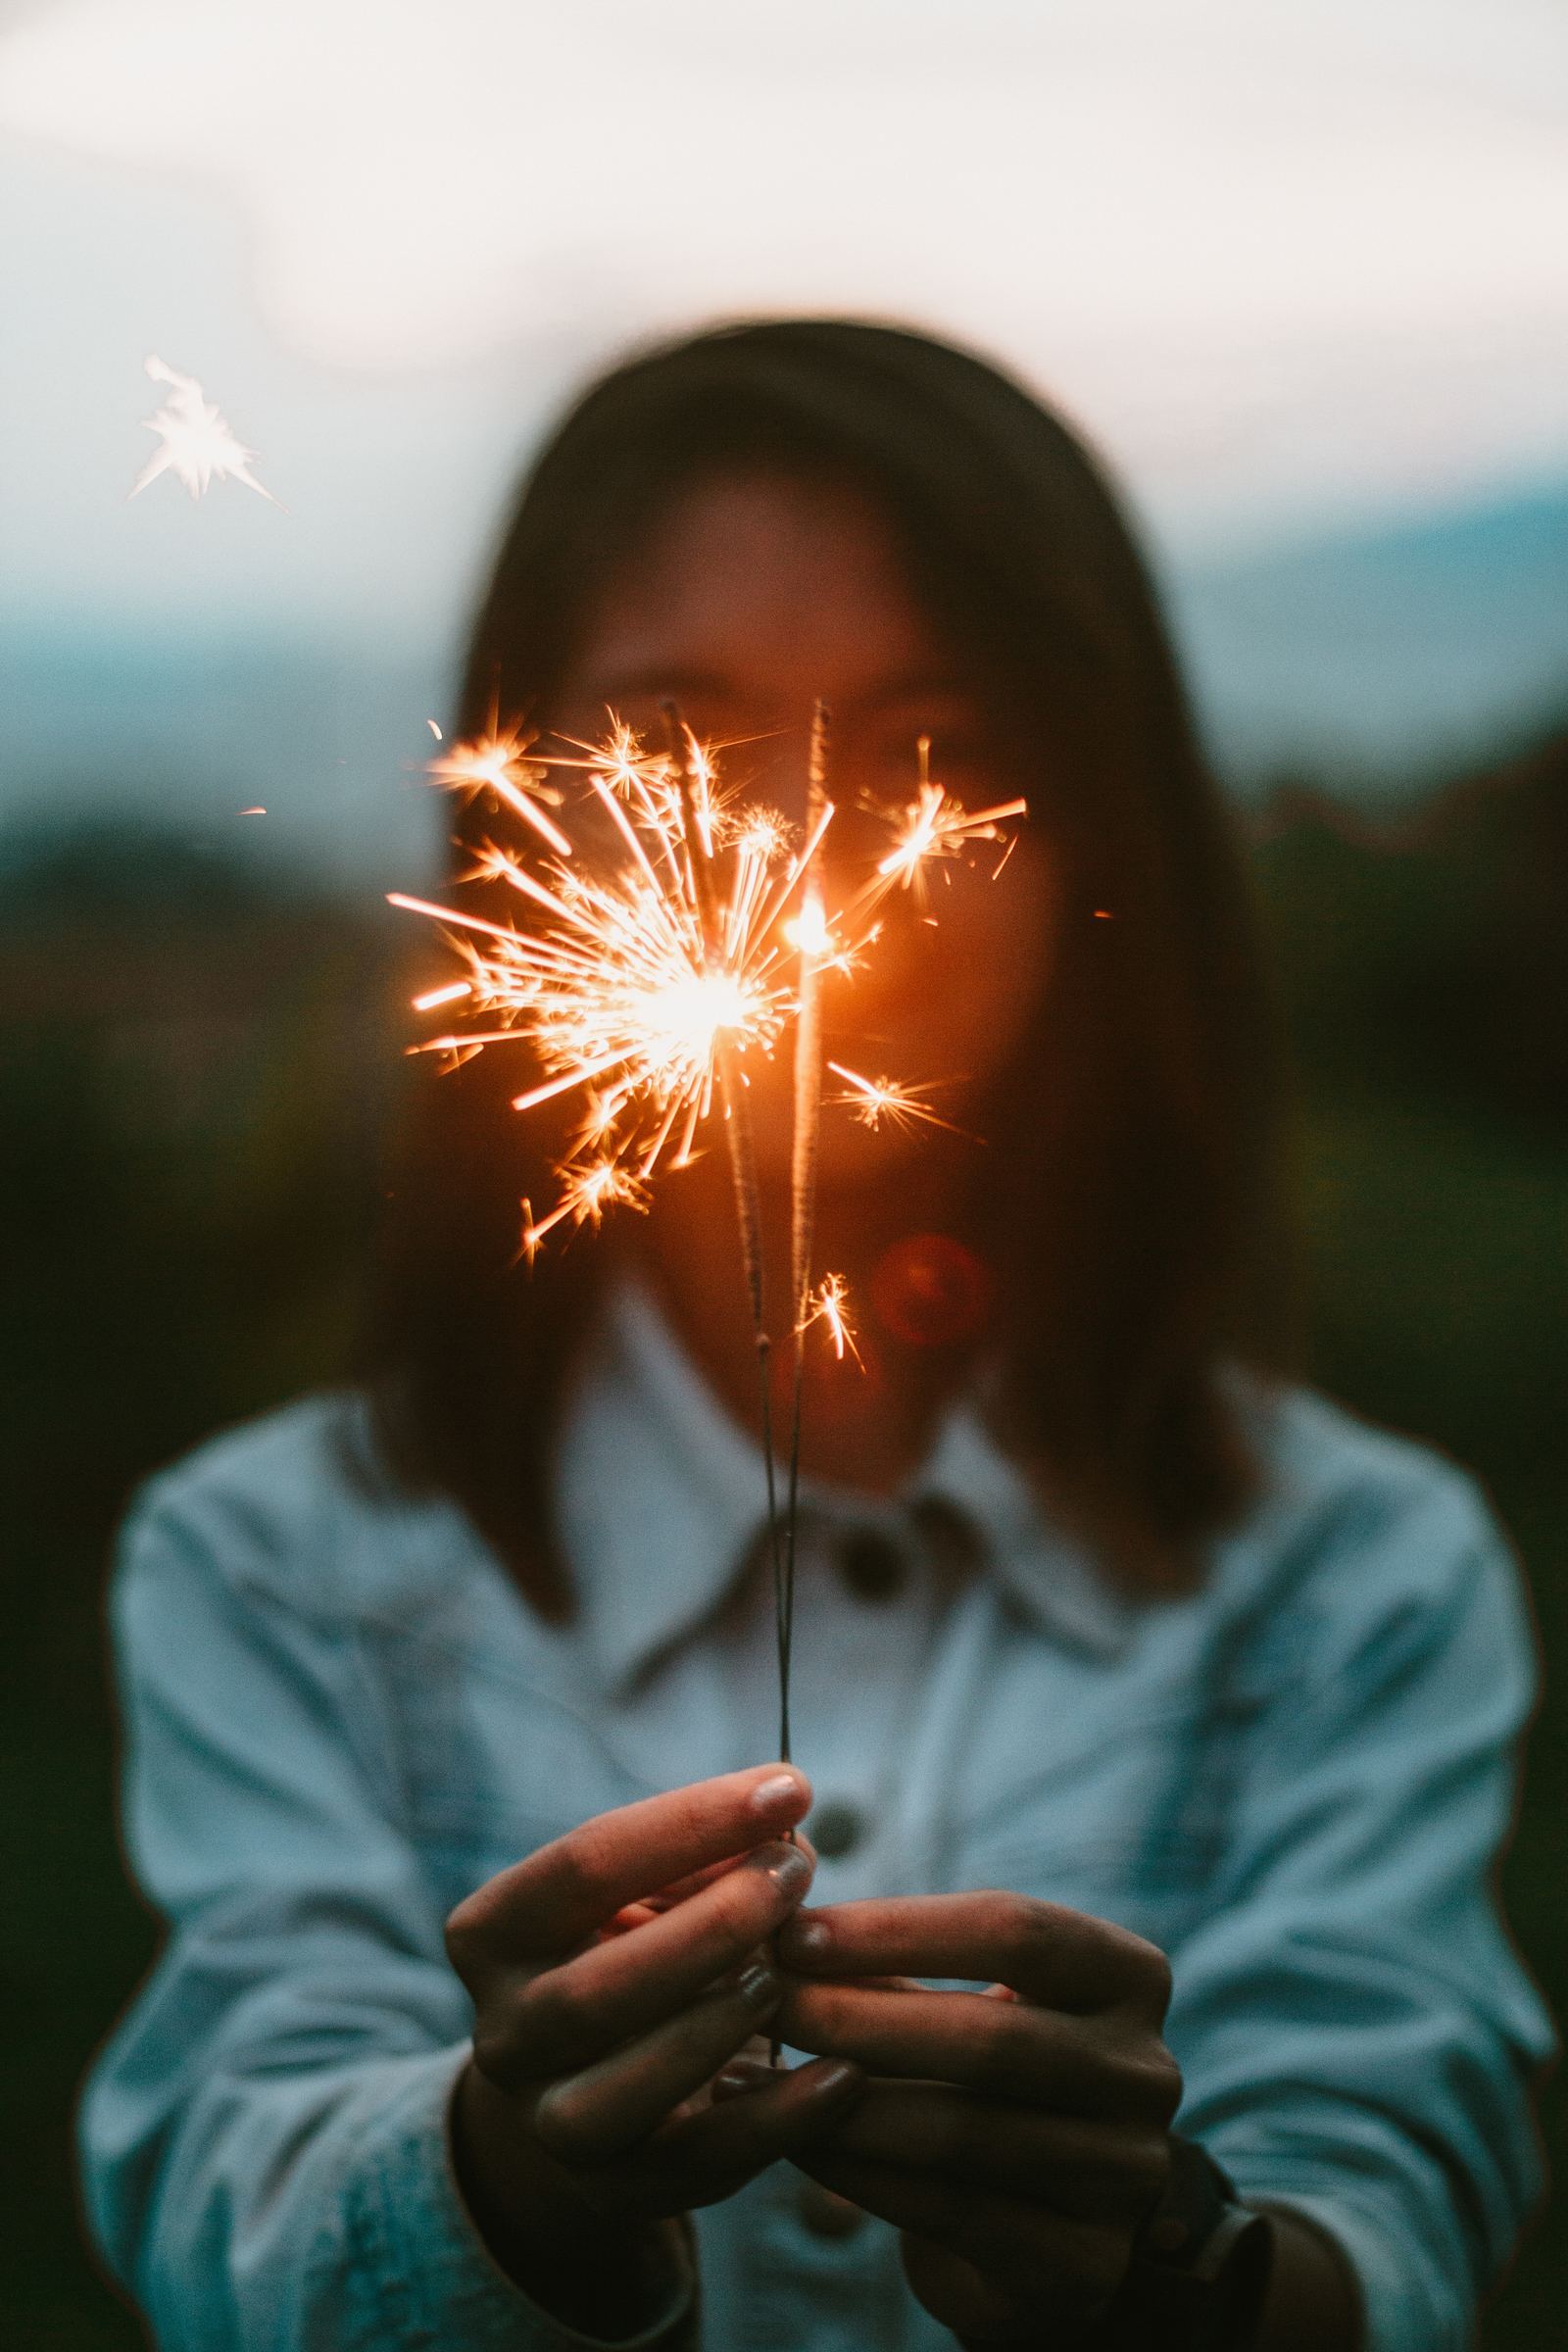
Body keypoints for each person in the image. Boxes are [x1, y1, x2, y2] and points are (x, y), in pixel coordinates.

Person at [79, 320, 1549, 2352]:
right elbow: (226, 2212)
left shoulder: (1356, 1577)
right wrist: (504, 2188)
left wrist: (1167, 2274)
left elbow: (1391, 2213)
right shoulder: (270, 1563)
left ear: (1090, 828)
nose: (800, 862)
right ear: (515, 813)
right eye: (674, 734)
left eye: (929, 748)